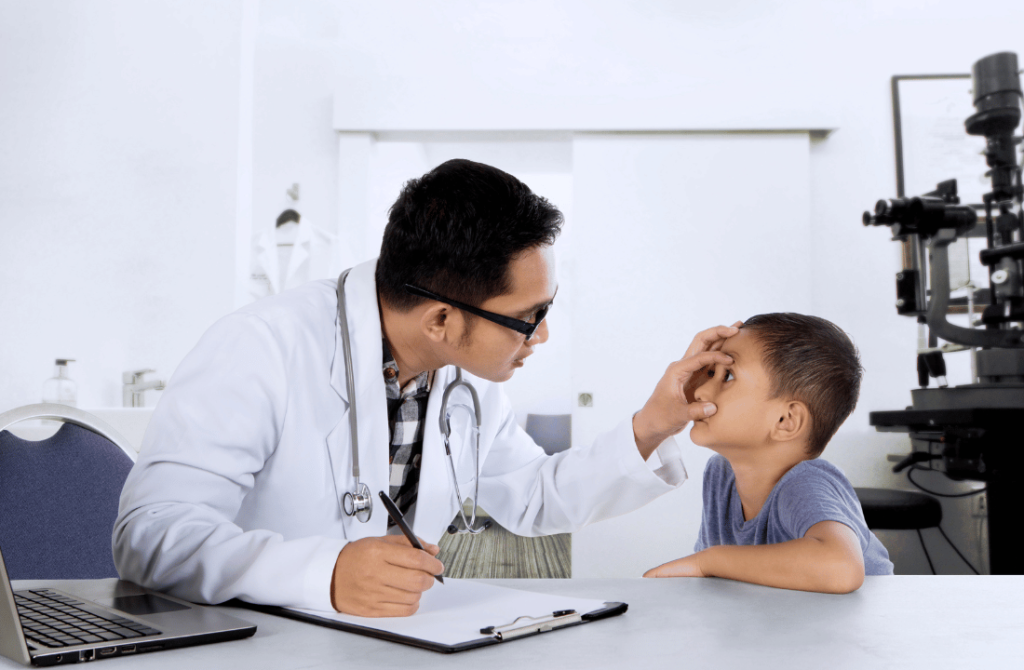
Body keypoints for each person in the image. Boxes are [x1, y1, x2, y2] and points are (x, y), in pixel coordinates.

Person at [114, 158, 737, 617]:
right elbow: (151, 536)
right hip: (260, 644)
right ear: (440, 319)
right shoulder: (261, 348)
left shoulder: (461, 377)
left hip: (394, 642)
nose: (540, 337)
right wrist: (322, 572)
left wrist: (656, 421)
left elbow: (532, 497)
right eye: (528, 318)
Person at [644, 313, 893, 593]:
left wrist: (708, 562)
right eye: (710, 373)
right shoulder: (720, 474)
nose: (700, 390)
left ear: (785, 421)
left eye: (727, 376)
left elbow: (842, 568)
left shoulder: (805, 482)